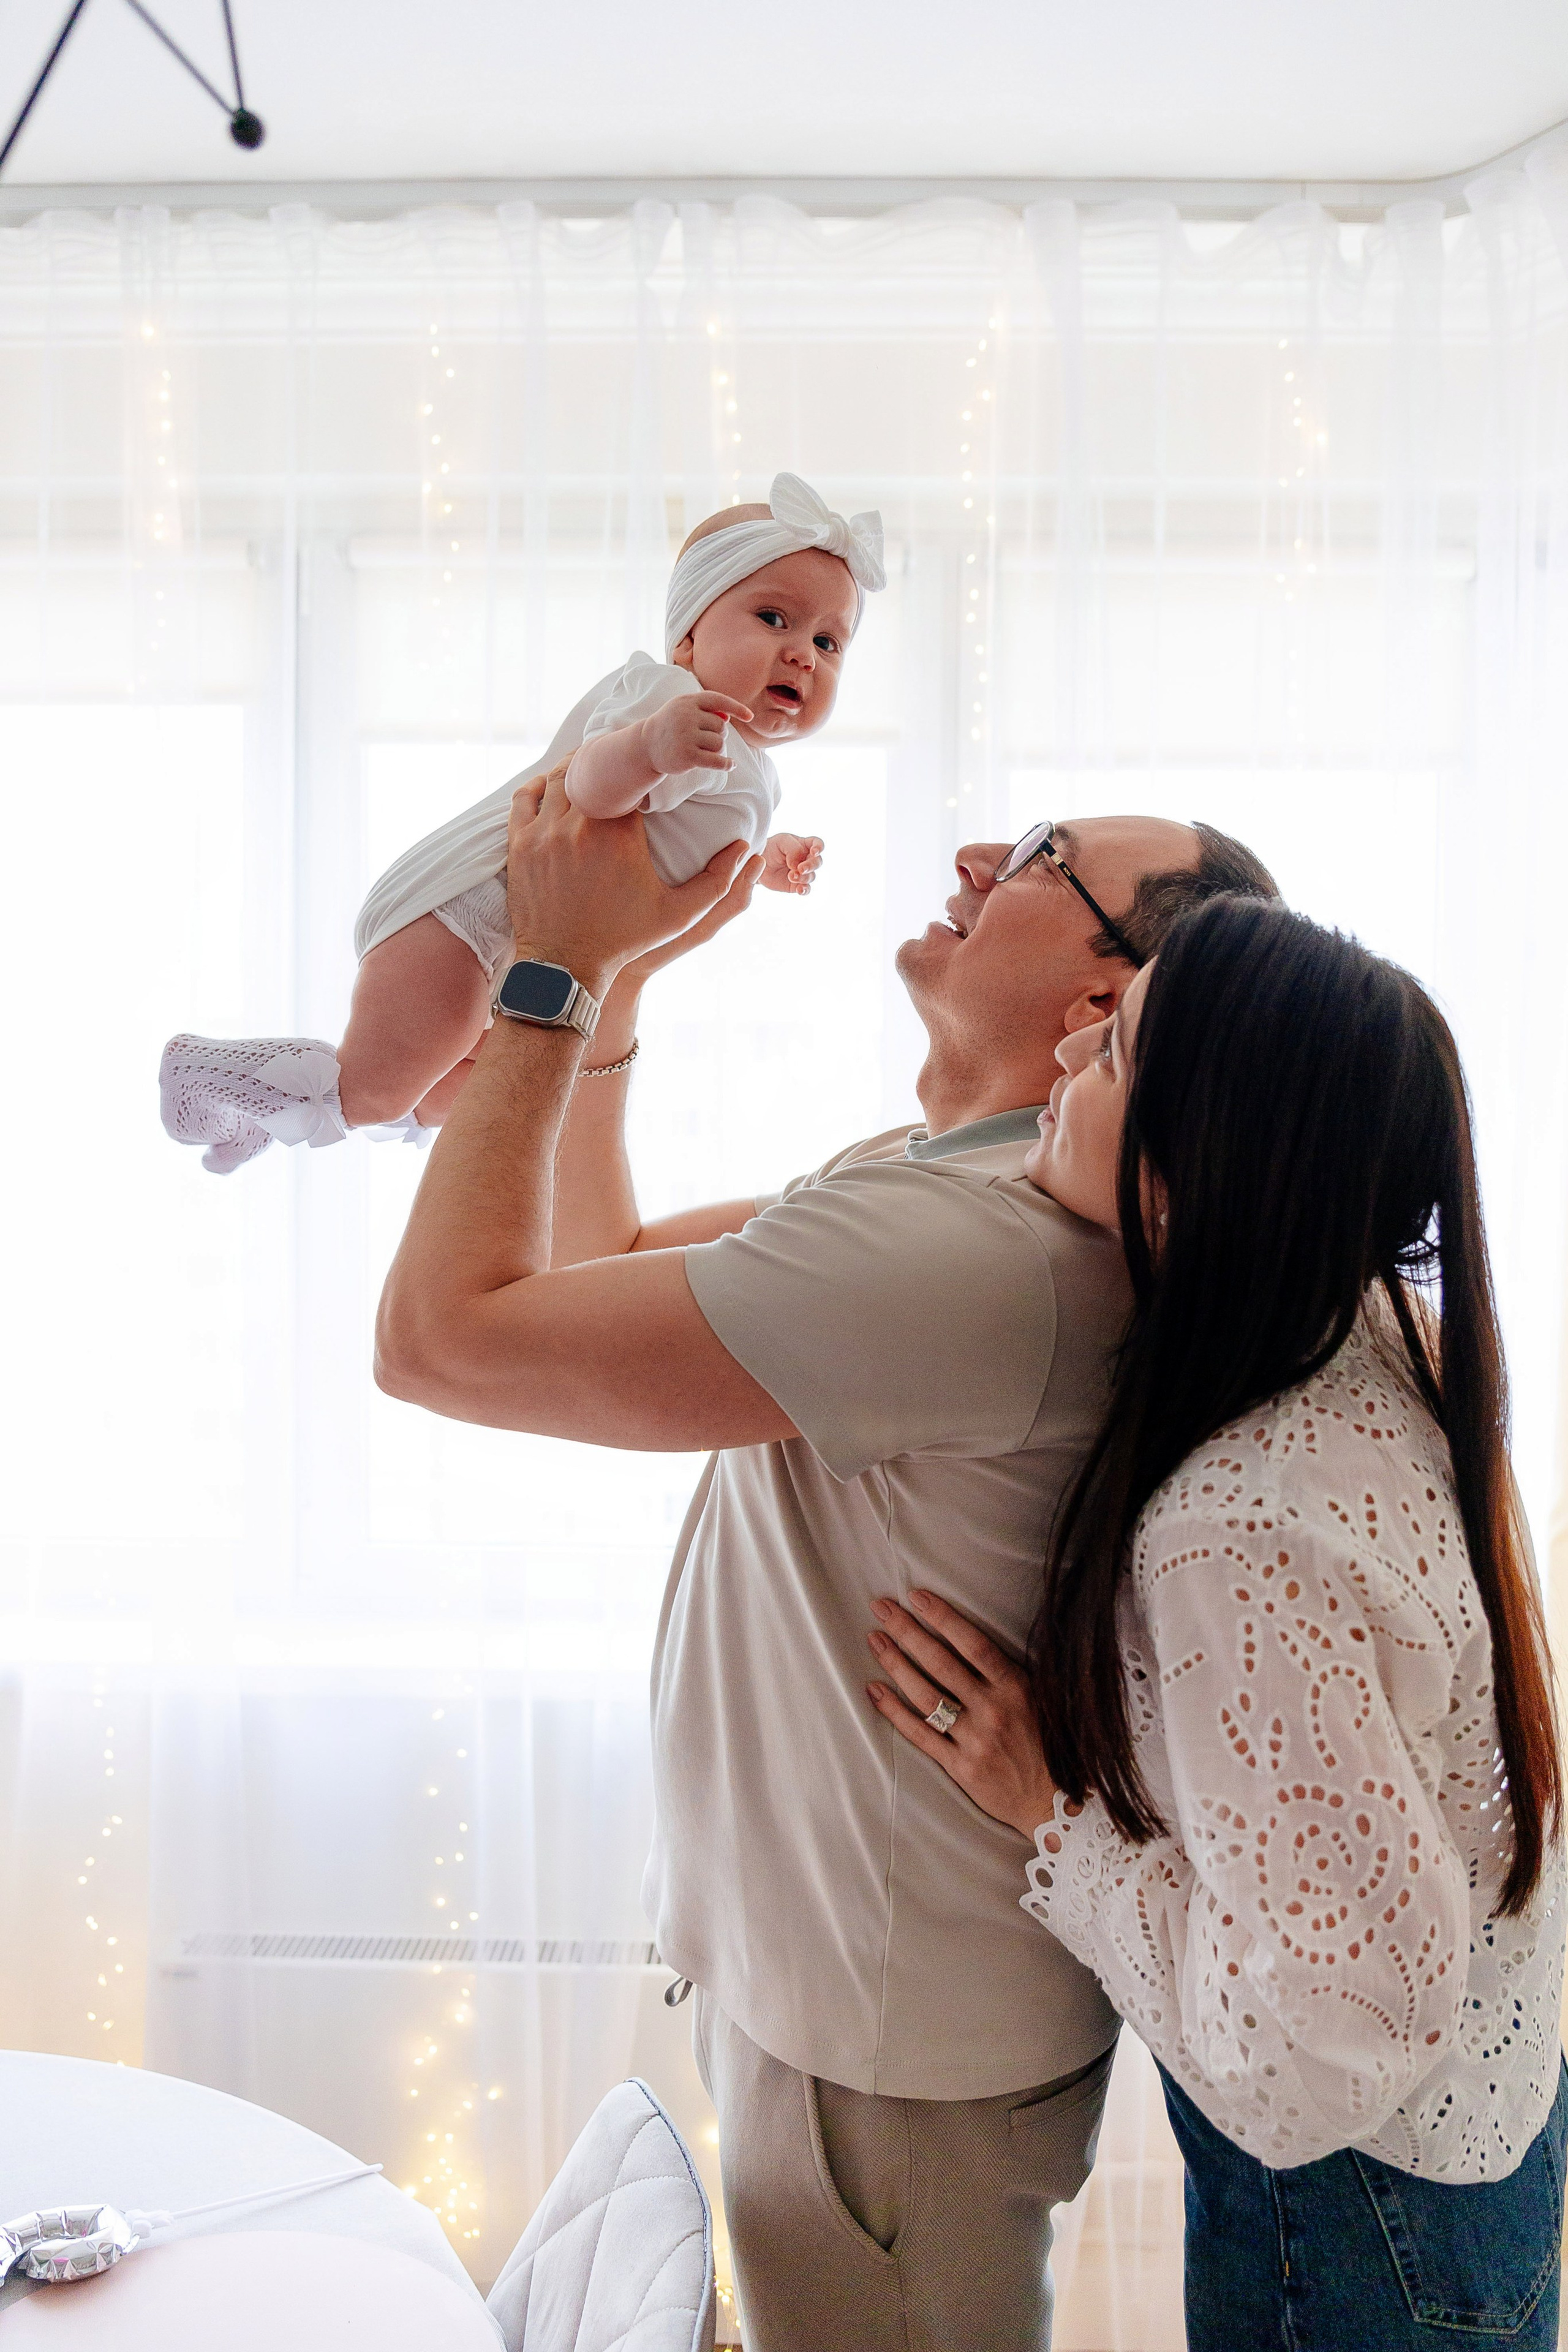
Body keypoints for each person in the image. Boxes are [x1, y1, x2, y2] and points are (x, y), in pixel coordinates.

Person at [372, 764, 1276, 2352]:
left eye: (1045, 858)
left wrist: (552, 968)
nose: (980, 850)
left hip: (890, 2050)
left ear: (1108, 1000)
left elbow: (443, 1338)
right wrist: (630, 975)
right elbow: (603, 1268)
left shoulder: (979, 1252)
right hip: (859, 2004)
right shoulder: (953, 1180)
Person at [864, 898, 1568, 2352]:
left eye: (1111, 1045)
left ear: (1194, 1176)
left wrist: (1047, 1816)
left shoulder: (1240, 1520)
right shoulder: (1373, 1323)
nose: (1067, 1048)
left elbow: (1317, 2040)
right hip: (1479, 2149)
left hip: (1364, 2210)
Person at [156, 472, 883, 1174]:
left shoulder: (747, 764)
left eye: (829, 643)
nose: (801, 654)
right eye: (773, 618)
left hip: (524, 951)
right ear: (689, 638)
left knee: (461, 1095)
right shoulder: (672, 703)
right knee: (380, 1091)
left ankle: (266, 1110)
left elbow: (698, 840)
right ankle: (212, 1075)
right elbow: (587, 790)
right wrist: (647, 748)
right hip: (468, 917)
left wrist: (769, 854)